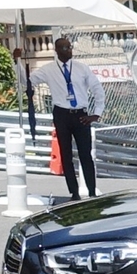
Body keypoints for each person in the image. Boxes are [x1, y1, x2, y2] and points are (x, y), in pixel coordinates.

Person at [35, 34, 100, 200]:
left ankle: (92, 191)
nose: (68, 50)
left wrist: (96, 114)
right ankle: (74, 192)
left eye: (70, 47)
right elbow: (26, 81)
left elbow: (97, 89)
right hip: (62, 113)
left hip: (81, 114)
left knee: (86, 154)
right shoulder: (48, 69)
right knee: (66, 155)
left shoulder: (81, 68)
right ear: (57, 50)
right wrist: (17, 62)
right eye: (64, 47)